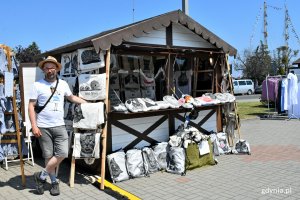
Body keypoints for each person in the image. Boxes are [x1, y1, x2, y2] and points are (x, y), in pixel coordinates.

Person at [28, 56, 87, 196]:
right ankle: (54, 182)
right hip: (43, 126)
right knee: (48, 156)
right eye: (47, 67)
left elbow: (71, 98)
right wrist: (34, 126)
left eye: (52, 67)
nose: (50, 70)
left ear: (56, 69)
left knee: (62, 153)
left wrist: (88, 103)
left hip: (59, 125)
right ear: (43, 69)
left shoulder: (63, 84)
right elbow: (31, 106)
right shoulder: (37, 85)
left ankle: (41, 176)